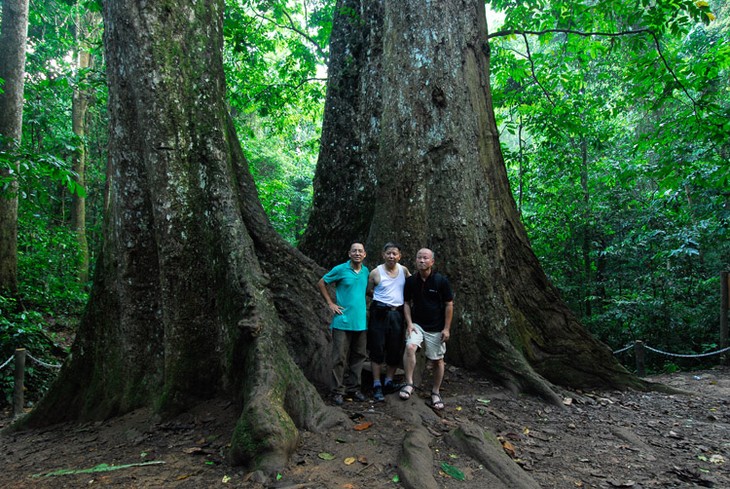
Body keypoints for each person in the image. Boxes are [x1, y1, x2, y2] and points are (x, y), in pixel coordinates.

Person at [400, 248, 454, 410]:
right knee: (410, 346)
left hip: (436, 327)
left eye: (425, 258)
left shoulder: (440, 281)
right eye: (419, 258)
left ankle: (435, 392)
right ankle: (409, 383)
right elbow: (406, 303)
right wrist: (409, 323)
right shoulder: (411, 281)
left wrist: (446, 328)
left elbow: (449, 304)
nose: (421, 261)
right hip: (417, 324)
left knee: (437, 360)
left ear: (432, 262)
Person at [318, 242, 369, 406]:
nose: (357, 253)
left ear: (364, 254)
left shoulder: (366, 271)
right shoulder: (340, 269)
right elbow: (321, 282)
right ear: (349, 254)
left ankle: (354, 388)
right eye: (354, 251)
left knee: (359, 357)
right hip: (342, 322)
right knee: (339, 357)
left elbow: (365, 290)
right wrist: (330, 303)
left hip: (360, 323)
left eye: (360, 251)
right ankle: (337, 391)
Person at [367, 242, 411, 402]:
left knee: (395, 347)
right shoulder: (375, 273)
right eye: (389, 253)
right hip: (379, 313)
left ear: (400, 256)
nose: (391, 256)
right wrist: (381, 301)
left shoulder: (404, 271)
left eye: (395, 254)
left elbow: (411, 286)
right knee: (377, 347)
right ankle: (377, 384)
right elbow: (368, 290)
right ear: (383, 255)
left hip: (397, 314)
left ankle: (389, 381)